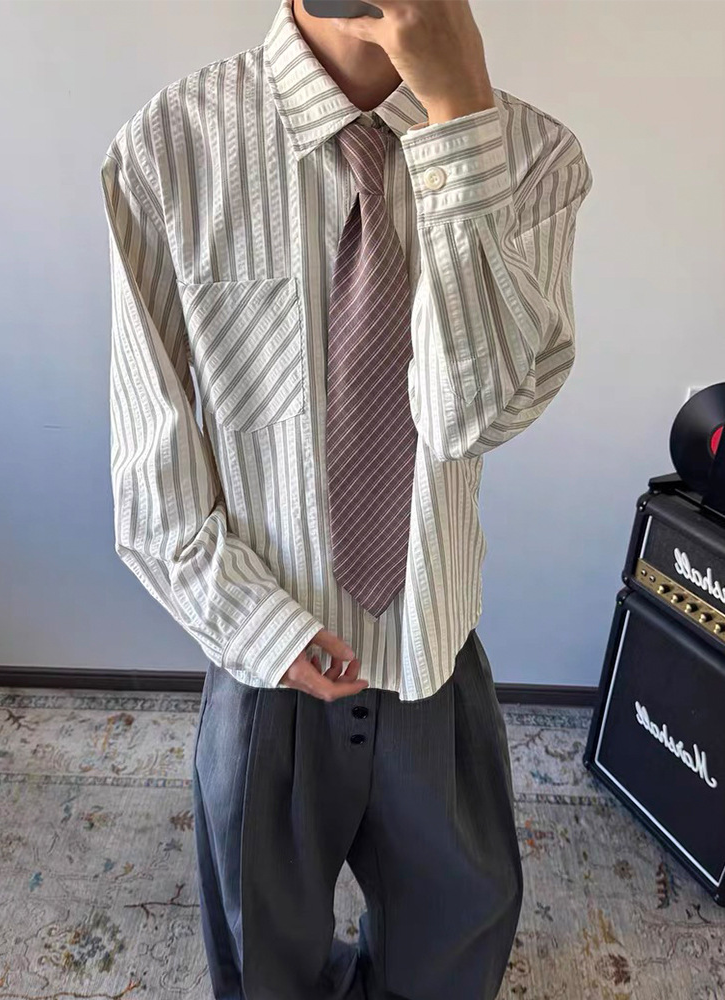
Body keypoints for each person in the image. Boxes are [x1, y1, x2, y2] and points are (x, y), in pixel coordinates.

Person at [100, 1, 592, 997]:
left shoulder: (532, 158)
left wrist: (459, 121)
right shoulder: (171, 148)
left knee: (457, 943)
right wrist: (254, 624)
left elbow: (474, 415)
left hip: (433, 652)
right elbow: (150, 467)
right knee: (264, 963)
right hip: (266, 663)